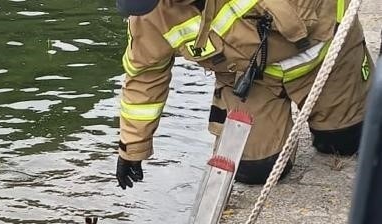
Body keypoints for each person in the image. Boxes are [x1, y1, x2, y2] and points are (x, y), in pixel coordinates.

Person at [115, 0, 374, 187]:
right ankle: (234, 105)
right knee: (256, 170)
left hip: (325, 52)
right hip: (253, 81)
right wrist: (132, 148)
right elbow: (145, 77)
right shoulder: (149, 15)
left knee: (345, 142)